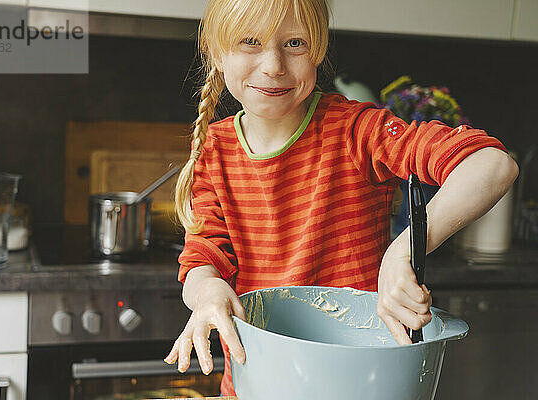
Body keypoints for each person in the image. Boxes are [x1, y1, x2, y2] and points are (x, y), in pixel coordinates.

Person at [164, 0, 519, 396]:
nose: (274, 65)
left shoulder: (356, 131)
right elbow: (202, 259)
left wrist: (402, 252)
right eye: (250, 42)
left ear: (317, 51)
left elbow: (492, 165)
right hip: (256, 384)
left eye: (294, 43)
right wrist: (207, 292)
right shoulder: (215, 148)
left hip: (360, 383)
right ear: (216, 51)